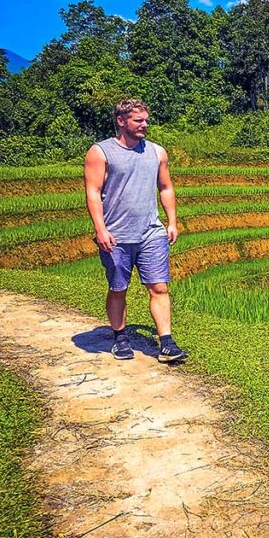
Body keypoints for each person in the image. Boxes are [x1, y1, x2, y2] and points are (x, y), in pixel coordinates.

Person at [83, 98, 188, 363]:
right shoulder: (101, 152)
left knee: (159, 287)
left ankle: (166, 342)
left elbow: (166, 187)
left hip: (150, 232)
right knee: (119, 288)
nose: (144, 125)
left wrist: (172, 221)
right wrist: (100, 229)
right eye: (138, 120)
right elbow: (93, 192)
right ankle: (120, 337)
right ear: (121, 121)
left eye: (146, 120)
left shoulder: (156, 152)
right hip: (116, 235)